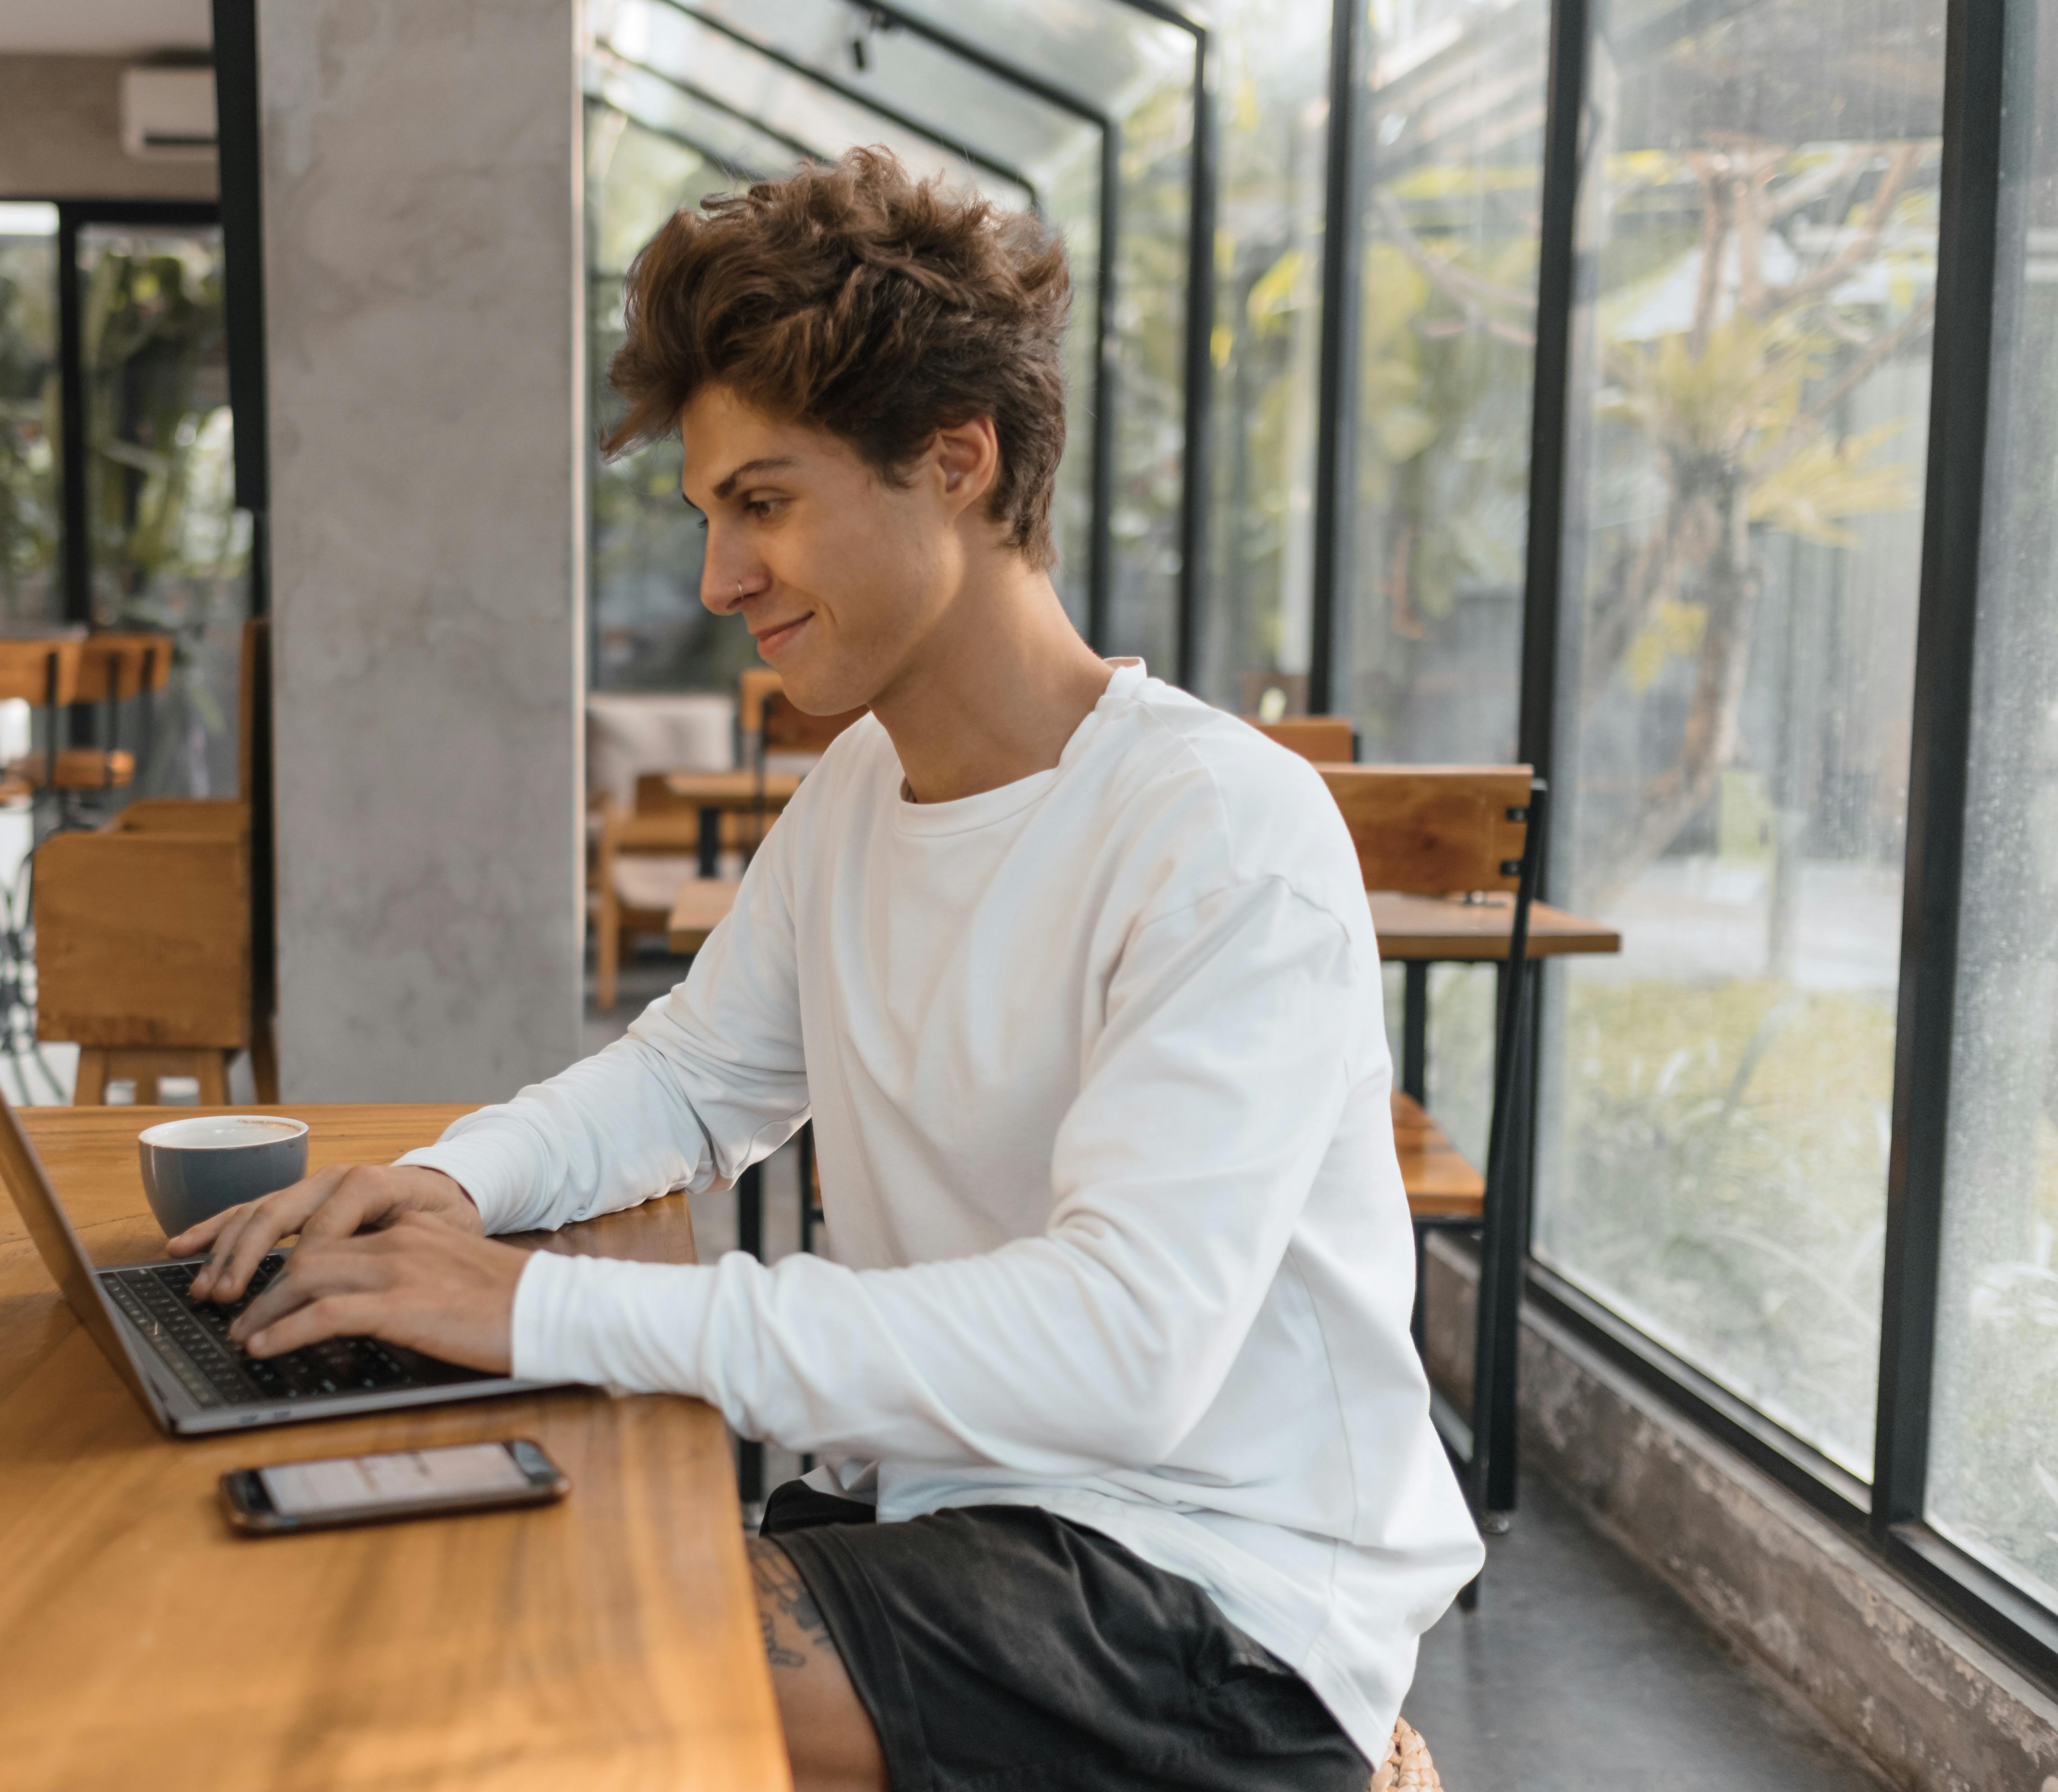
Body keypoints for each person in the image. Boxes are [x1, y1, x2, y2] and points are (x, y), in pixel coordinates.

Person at [169, 147, 1481, 1792]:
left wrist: (541, 1307)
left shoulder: (1218, 828)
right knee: (450, 1586)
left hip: (1221, 1595)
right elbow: (693, 1077)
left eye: (765, 504)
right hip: (975, 1521)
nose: (723, 582)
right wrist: (447, 1188)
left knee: (550, 1675)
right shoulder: (865, 785)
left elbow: (1127, 1354)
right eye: (715, 516)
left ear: (955, 463)